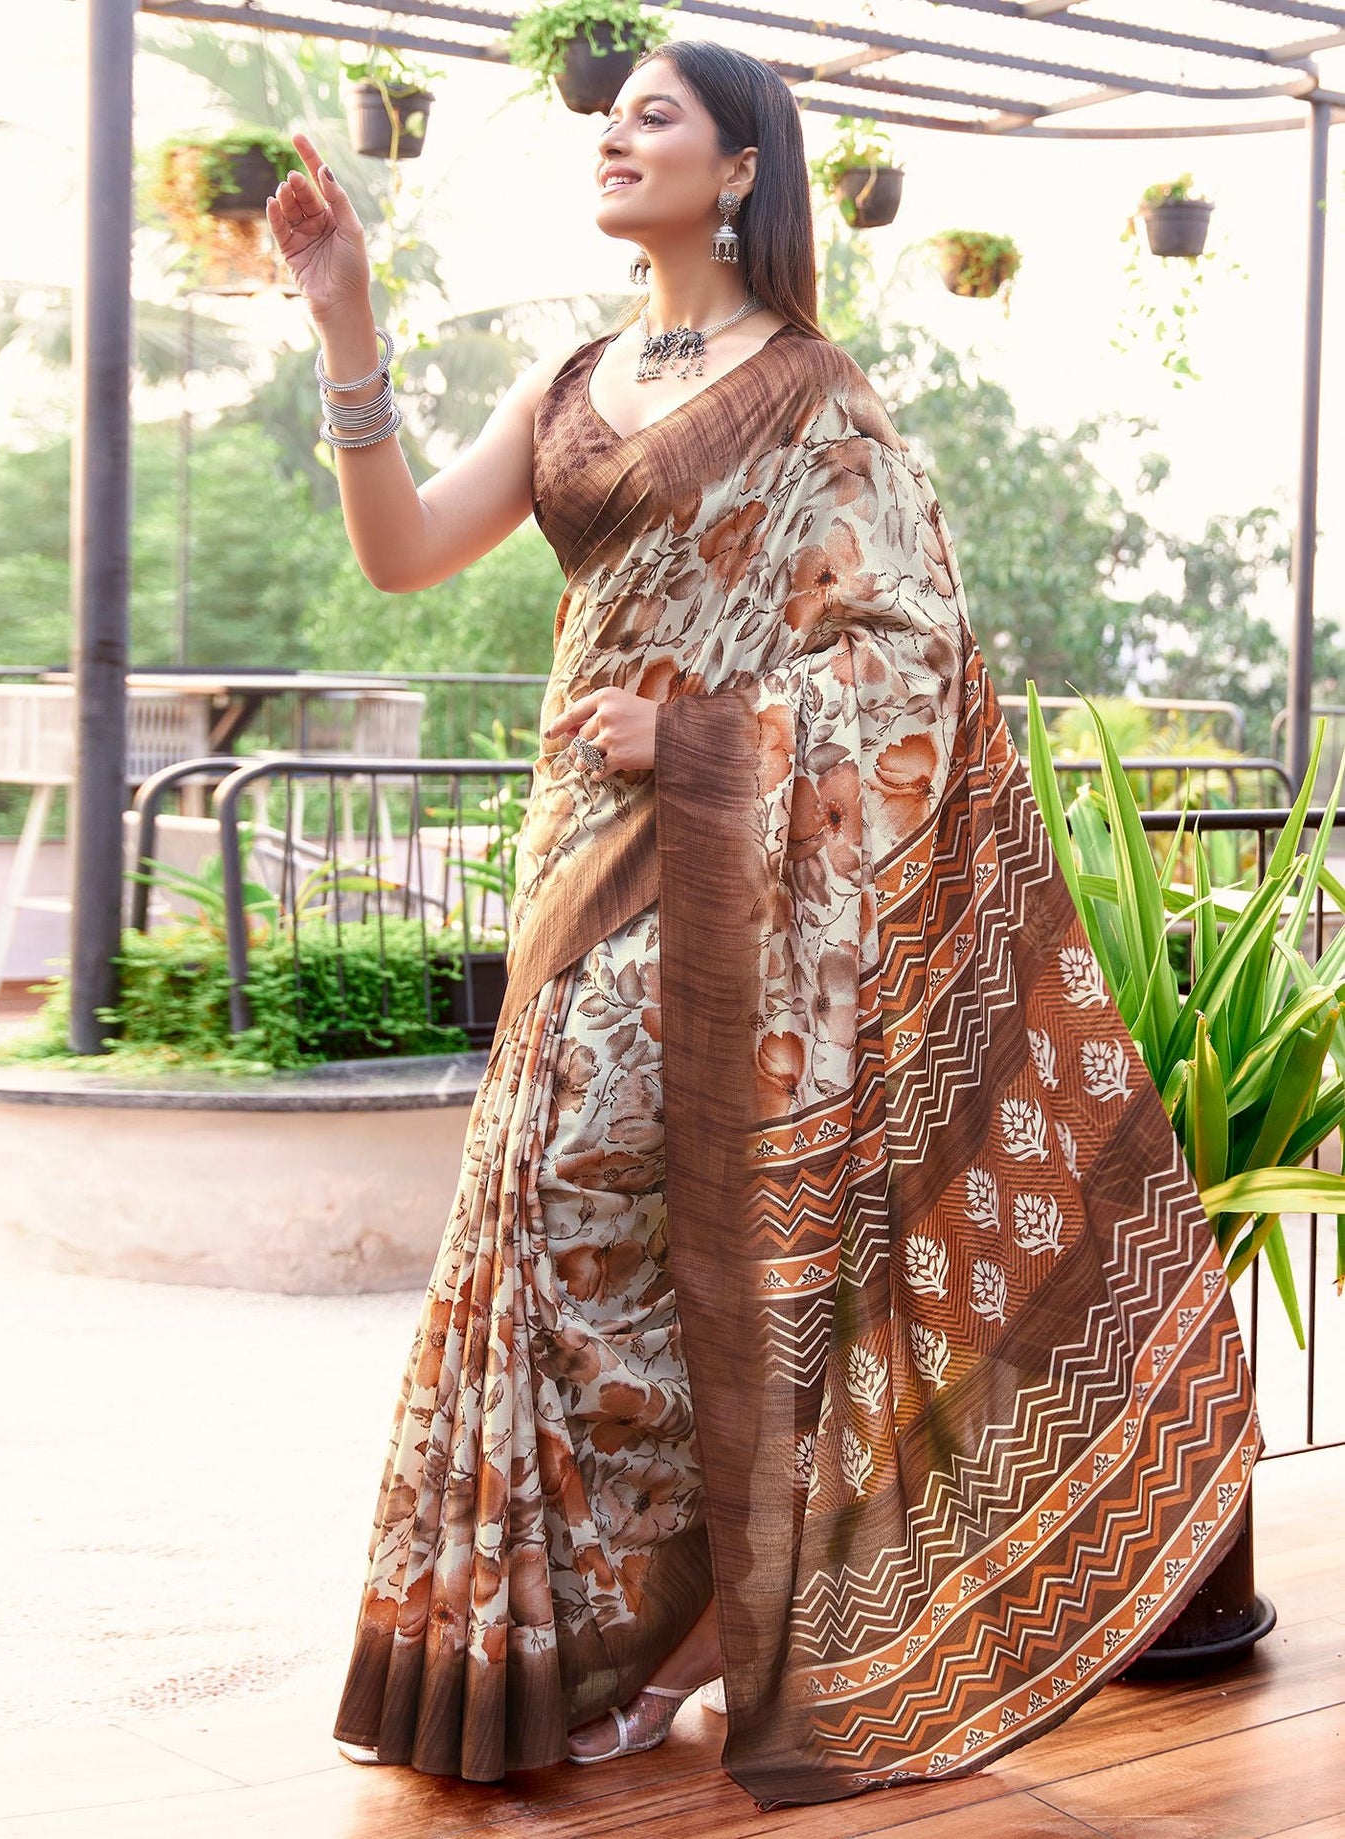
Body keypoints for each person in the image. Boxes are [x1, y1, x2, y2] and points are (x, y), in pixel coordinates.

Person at [265, 38, 1263, 1813]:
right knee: (560, 1228)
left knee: (647, 1217)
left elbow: (910, 652)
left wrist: (707, 737)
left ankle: (678, 1638)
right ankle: (620, 1634)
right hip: (581, 860)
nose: (614, 134)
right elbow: (404, 550)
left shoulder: (814, 395)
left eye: (654, 114)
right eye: (609, 112)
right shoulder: (573, 381)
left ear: (740, 169)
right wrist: (345, 323)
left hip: (726, 869)